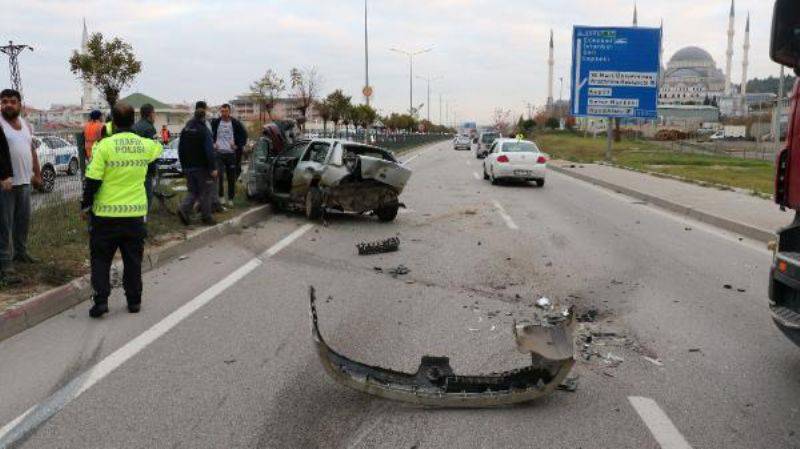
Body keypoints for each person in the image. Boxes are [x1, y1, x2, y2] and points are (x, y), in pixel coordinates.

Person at [80, 102, 162, 318]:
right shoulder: (144, 146)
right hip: (134, 216)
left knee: (100, 260)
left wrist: (85, 205)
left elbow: (93, 180)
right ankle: (134, 301)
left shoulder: (103, 147)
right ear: (134, 121)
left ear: (113, 122)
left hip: (105, 216)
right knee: (133, 260)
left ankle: (100, 302)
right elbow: (158, 147)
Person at [0, 89, 43, 285]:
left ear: (19, 104)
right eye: (4, 101)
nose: (8, 105)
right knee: (4, 225)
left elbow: (31, 150)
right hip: (5, 184)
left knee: (22, 222)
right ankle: (5, 263)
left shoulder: (25, 125)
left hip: (24, 182)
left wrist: (37, 173)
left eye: (12, 101)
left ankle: (21, 253)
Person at [177, 101, 217, 226]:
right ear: (203, 117)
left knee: (193, 191)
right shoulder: (204, 130)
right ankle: (207, 217)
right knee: (206, 191)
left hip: (188, 167)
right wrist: (213, 168)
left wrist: (183, 166)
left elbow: (180, 149)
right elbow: (209, 151)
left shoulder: (186, 130)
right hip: (202, 168)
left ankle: (183, 209)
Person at [210, 104, 247, 207]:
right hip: (219, 153)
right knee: (220, 176)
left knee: (231, 177)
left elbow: (244, 135)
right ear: (220, 112)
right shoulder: (215, 122)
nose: (224, 113)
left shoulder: (235, 123)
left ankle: (230, 199)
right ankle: (221, 197)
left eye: (226, 111)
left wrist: (237, 145)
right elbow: (210, 134)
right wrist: (213, 143)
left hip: (231, 154)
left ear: (229, 112)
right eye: (222, 111)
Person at [132, 103, 158, 209]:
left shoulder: (134, 126)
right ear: (150, 114)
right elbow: (151, 152)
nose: (155, 116)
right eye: (154, 113)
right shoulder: (150, 129)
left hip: (133, 167)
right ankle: (143, 220)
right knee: (147, 196)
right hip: (145, 169)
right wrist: (153, 170)